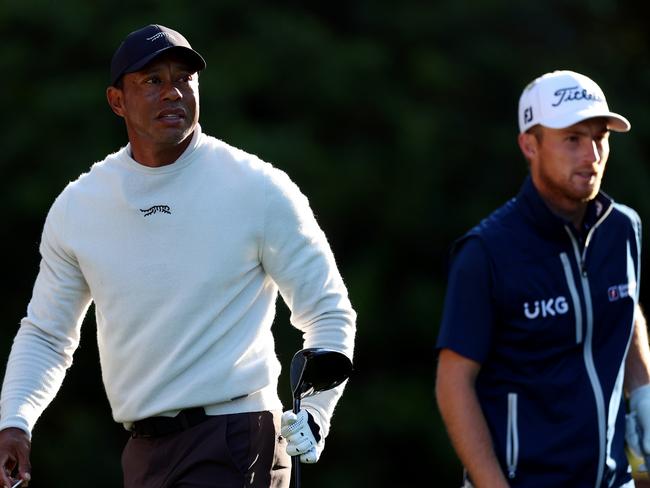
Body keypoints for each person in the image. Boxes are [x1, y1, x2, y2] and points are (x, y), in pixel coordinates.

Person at [0, 24, 356, 488]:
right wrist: (16, 421)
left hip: (237, 439)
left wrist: (315, 412)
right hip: (143, 451)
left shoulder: (258, 188)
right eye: (152, 81)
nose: (172, 92)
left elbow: (328, 310)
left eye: (183, 79)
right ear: (117, 101)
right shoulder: (79, 206)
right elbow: (47, 334)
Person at [435, 69, 650, 487]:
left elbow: (625, 305)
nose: (592, 155)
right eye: (573, 139)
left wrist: (643, 394)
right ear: (529, 145)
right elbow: (453, 383)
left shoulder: (623, 228)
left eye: (600, 137)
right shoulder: (486, 252)